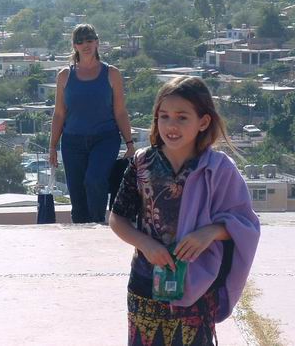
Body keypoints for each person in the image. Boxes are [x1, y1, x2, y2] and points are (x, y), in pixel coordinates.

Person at [109, 76, 260, 346]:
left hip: (198, 285)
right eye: (164, 116)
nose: (171, 126)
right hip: (145, 281)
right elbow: (117, 218)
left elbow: (245, 224)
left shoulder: (219, 169)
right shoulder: (142, 163)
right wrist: (146, 245)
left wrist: (210, 232)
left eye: (182, 117)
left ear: (203, 122)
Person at [49, 24, 135, 223]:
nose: (85, 45)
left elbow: (120, 111)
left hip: (105, 138)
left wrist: (129, 143)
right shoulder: (65, 75)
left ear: (97, 42)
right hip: (72, 142)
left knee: (95, 179)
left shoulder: (111, 73)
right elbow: (59, 114)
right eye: (80, 41)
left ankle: (97, 223)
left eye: (89, 40)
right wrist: (52, 146)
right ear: (74, 46)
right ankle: (82, 233)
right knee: (77, 194)